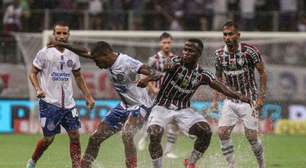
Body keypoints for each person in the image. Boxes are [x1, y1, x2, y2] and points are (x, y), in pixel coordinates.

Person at [48, 40, 162, 168]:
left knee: (127, 134)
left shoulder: (126, 62)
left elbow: (157, 73)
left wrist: (146, 79)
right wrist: (62, 44)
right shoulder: (103, 57)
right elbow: (84, 51)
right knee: (94, 138)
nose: (97, 64)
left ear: (105, 55)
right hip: (124, 106)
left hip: (141, 105)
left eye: (97, 61)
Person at [139, 38, 251, 168]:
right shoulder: (175, 62)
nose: (185, 53)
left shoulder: (202, 74)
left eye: (190, 51)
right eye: (185, 49)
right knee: (154, 133)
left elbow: (221, 87)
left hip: (183, 110)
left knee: (206, 132)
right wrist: (147, 79)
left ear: (198, 54)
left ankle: (191, 163)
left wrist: (239, 96)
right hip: (162, 107)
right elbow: (160, 73)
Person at [26, 22, 95, 168]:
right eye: (58, 33)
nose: (61, 36)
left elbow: (78, 76)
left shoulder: (73, 54)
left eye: (64, 33)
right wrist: (38, 88)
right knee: (48, 139)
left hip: (69, 104)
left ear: (68, 35)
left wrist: (88, 96)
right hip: (50, 103)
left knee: (75, 136)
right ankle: (32, 162)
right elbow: (32, 73)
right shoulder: (44, 53)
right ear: (53, 34)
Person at [212, 21, 267, 168]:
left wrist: (261, 97)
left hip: (249, 100)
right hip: (230, 101)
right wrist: (215, 99)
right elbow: (218, 79)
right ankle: (231, 165)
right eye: (225, 34)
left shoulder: (250, 51)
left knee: (251, 137)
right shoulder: (218, 54)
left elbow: (262, 73)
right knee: (222, 132)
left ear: (238, 35)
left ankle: (261, 164)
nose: (227, 37)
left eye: (230, 34)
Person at [137, 32, 179, 159]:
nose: (166, 45)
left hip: (171, 96)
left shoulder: (176, 59)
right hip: (156, 96)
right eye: (164, 42)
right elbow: (144, 75)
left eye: (169, 42)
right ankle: (144, 138)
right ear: (160, 44)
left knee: (174, 123)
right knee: (153, 121)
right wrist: (153, 88)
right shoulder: (154, 59)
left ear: (171, 43)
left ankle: (168, 151)